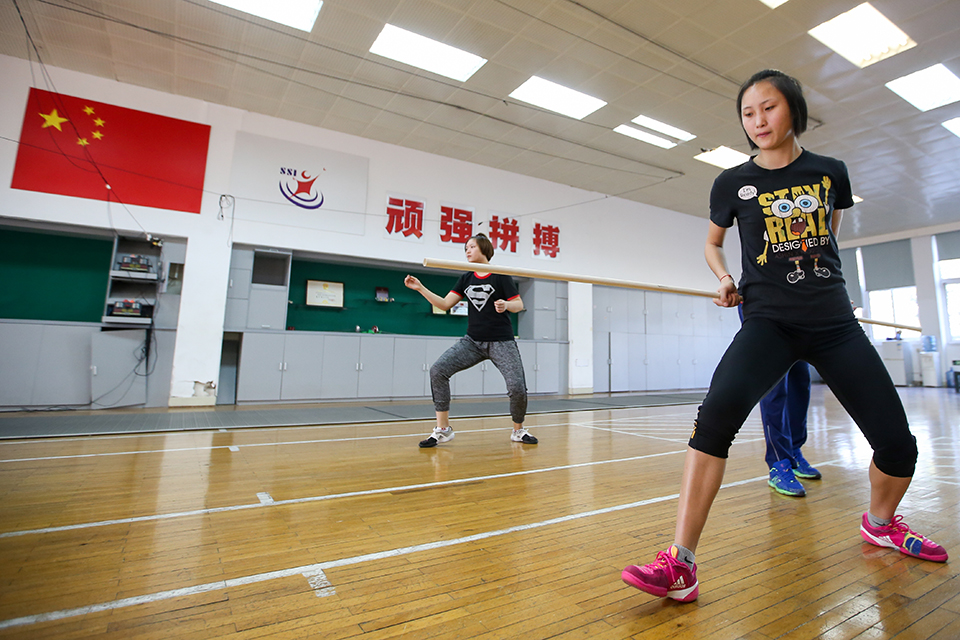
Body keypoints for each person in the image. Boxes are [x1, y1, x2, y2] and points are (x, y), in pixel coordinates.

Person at [621, 69, 947, 604]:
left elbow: (829, 235)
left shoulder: (830, 172)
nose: (758, 121)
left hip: (835, 323)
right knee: (715, 418)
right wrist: (726, 280)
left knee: (898, 445)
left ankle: (880, 523)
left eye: (768, 108)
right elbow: (713, 244)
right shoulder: (731, 182)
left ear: (793, 108)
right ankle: (680, 564)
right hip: (767, 322)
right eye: (748, 114)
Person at [404, 233, 537, 448]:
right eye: (465, 248)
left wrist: (506, 305)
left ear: (484, 248)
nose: (467, 251)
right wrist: (421, 288)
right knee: (438, 370)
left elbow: (519, 304)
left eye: (471, 247)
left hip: (501, 342)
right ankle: (443, 430)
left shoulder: (501, 276)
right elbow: (445, 304)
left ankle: (518, 430)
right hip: (472, 342)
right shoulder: (466, 278)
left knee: (517, 386)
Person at [759, 360, 820, 497]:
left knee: (799, 386)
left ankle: (793, 451)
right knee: (774, 391)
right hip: (772, 340)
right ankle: (778, 463)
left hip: (802, 338)